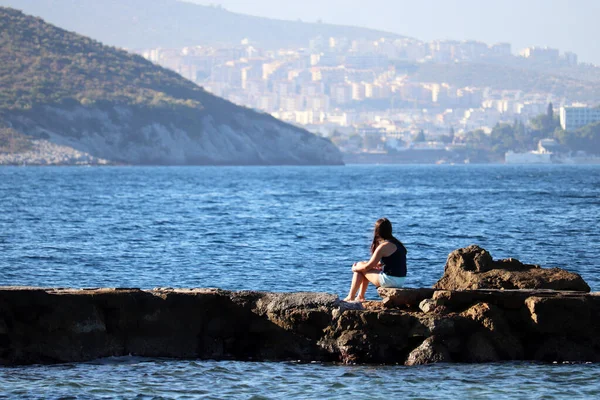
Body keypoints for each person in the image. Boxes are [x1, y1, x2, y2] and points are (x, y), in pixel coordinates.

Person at [343, 218, 407, 302]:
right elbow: (394, 261)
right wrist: (378, 265)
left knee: (359, 268)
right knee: (363, 264)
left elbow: (367, 267)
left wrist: (355, 268)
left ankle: (350, 297)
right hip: (400, 280)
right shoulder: (398, 243)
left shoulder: (383, 246)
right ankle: (360, 296)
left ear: (377, 231)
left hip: (390, 280)